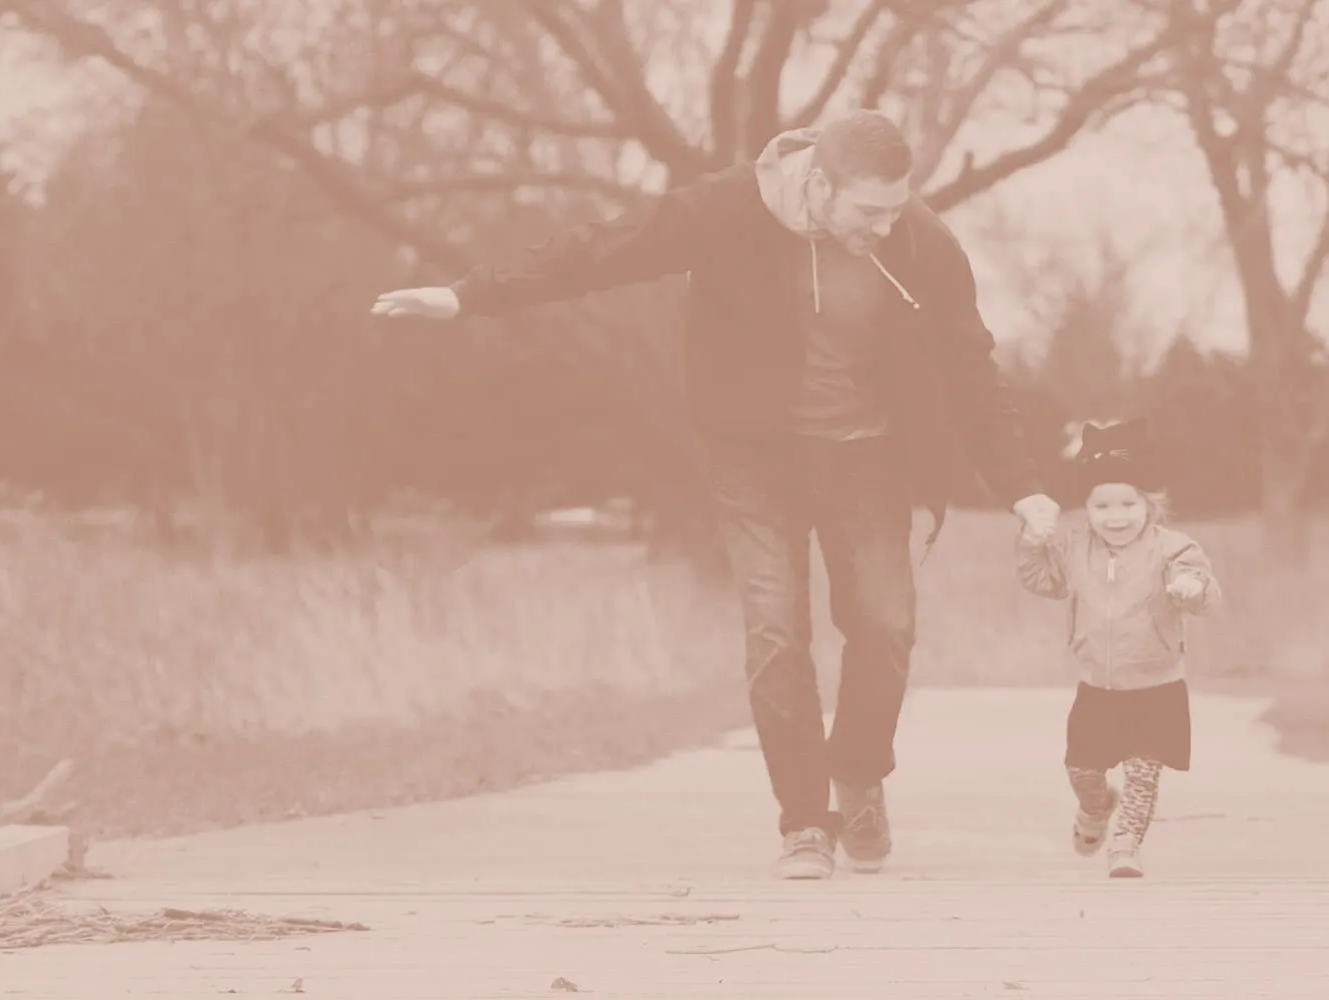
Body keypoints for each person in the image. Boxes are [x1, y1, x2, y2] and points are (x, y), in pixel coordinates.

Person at [370, 110, 1062, 880]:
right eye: (870, 209)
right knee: (775, 632)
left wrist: (1025, 490)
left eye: (897, 204)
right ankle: (804, 822)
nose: (886, 222)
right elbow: (603, 251)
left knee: (886, 624)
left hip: (867, 458)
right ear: (820, 184)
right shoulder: (726, 210)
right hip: (756, 458)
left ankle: (860, 775)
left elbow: (972, 369)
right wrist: (468, 296)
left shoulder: (920, 242)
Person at [1014, 417, 1220, 878]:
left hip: (1157, 686)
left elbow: (1206, 590)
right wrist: (1030, 544)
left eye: (1128, 503)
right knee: (1082, 771)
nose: (1117, 516)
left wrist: (1191, 586)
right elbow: (1040, 580)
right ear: (1085, 509)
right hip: (1097, 687)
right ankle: (1096, 806)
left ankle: (1125, 847)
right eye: (1102, 505)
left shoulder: (1173, 549)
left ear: (1150, 504)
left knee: (1143, 776)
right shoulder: (1074, 551)